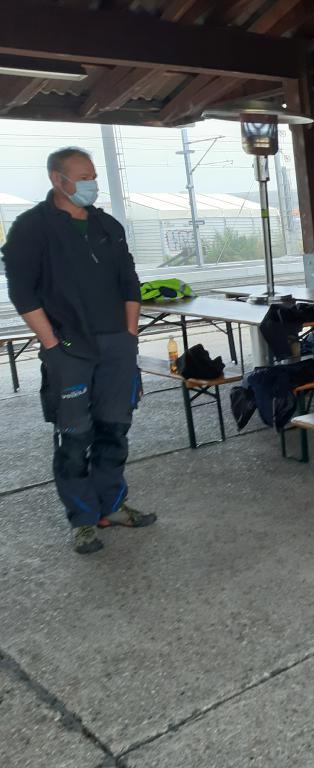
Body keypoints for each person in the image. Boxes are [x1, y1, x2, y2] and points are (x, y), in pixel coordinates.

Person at [1, 147, 154, 555]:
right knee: (74, 436)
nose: (92, 184)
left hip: (116, 345)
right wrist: (52, 345)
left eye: (93, 176)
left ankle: (112, 506)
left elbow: (129, 282)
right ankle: (83, 519)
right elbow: (21, 291)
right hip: (69, 348)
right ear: (58, 179)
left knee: (115, 428)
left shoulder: (107, 225)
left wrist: (130, 335)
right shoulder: (32, 227)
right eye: (84, 177)